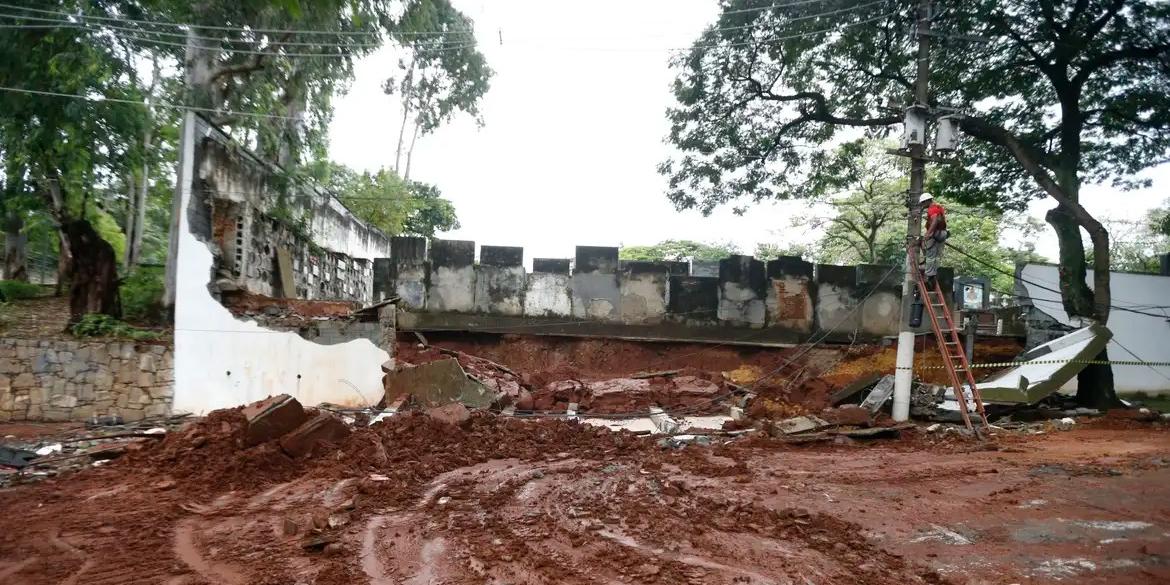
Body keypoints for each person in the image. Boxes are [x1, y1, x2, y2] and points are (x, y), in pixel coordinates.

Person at [920, 192, 947, 285]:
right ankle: (933, 273)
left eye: (923, 203)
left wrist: (928, 233)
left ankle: (929, 276)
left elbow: (934, 220)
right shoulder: (938, 207)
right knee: (936, 256)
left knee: (930, 254)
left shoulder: (932, 209)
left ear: (927, 201)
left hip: (936, 233)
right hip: (942, 232)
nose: (923, 205)